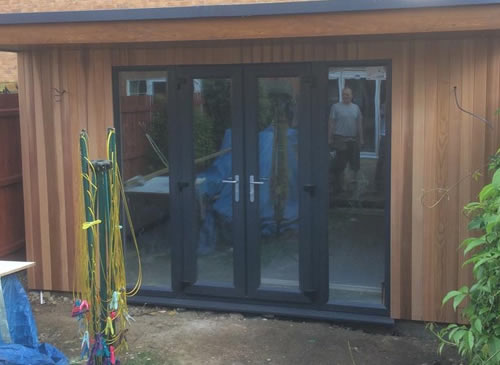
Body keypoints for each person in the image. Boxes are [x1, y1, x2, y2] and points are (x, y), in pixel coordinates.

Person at [328, 87, 364, 194]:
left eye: (348, 94)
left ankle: (352, 188)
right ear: (341, 95)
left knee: (354, 165)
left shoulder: (356, 108)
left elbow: (359, 124)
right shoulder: (335, 107)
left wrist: (361, 138)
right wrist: (329, 138)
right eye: (344, 94)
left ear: (352, 96)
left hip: (353, 140)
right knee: (340, 165)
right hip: (340, 139)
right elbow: (331, 123)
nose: (346, 96)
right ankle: (340, 188)